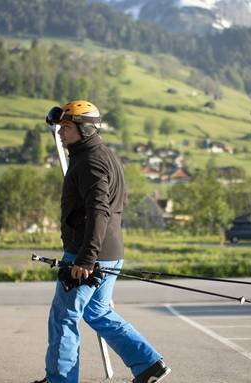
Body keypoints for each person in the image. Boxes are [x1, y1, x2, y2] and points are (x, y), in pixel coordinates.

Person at [34, 100, 171, 383]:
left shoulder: (90, 163)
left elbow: (99, 211)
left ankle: (60, 380)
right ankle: (147, 364)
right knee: (96, 312)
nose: (61, 133)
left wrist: (85, 258)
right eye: (61, 127)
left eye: (67, 127)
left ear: (84, 129)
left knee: (64, 317)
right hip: (108, 251)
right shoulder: (103, 155)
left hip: (89, 253)